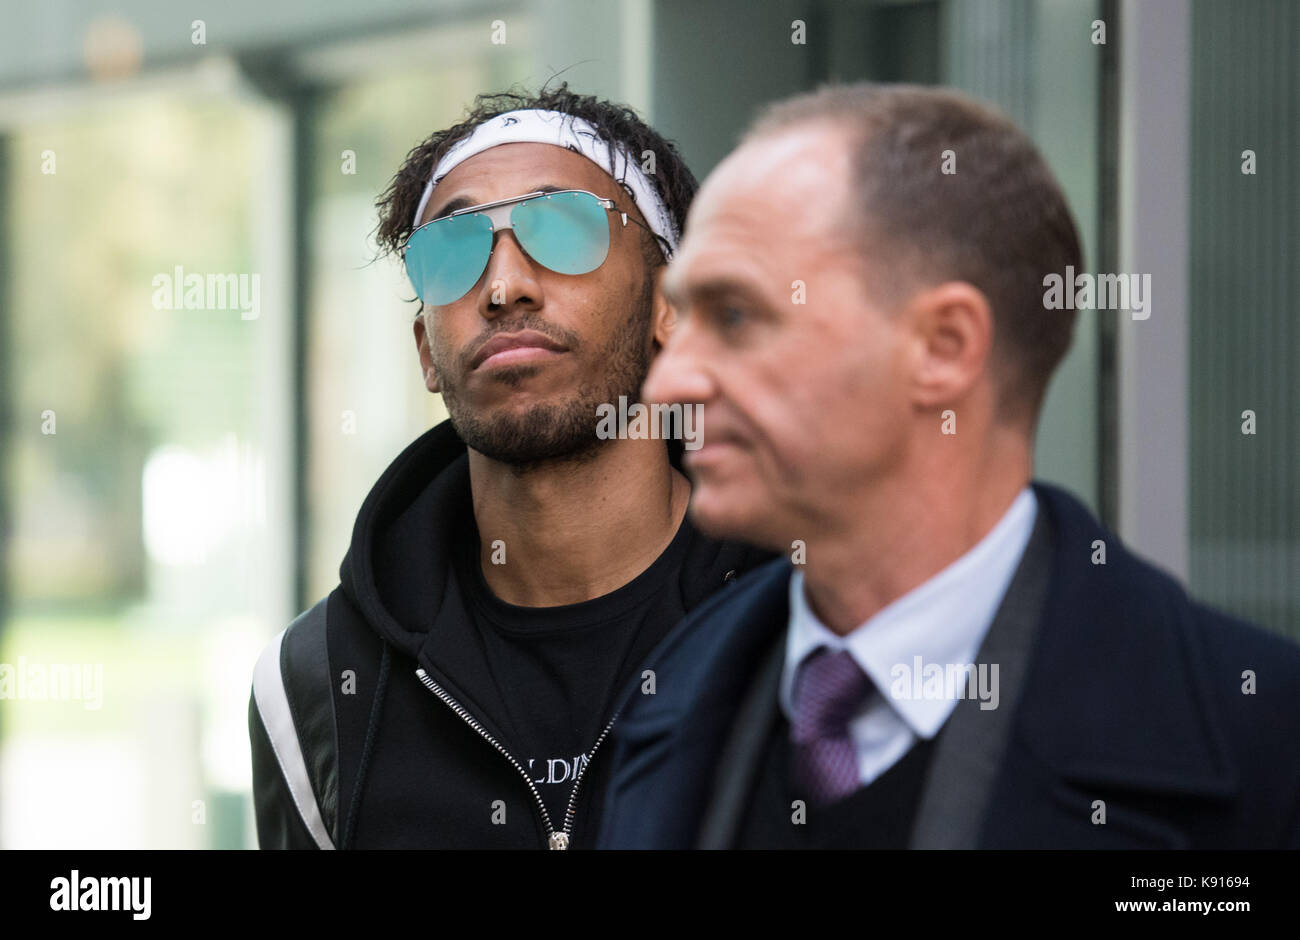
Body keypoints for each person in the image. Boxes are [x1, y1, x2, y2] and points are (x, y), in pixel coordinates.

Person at [596, 83, 1300, 849]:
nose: (669, 384)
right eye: (683, 319)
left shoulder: (1263, 744)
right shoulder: (671, 705)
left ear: (944, 348)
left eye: (735, 315)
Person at [248, 85, 770, 849]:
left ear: (670, 308)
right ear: (426, 351)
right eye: (452, 251)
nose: (503, 287)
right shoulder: (317, 684)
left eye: (563, 228)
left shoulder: (811, 619)